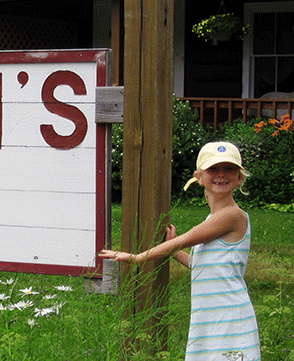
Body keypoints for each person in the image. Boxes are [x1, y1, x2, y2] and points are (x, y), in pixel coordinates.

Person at [99, 141, 261, 361]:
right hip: (210, 316)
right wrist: (175, 253)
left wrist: (138, 257)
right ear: (199, 177)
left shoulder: (231, 216)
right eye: (213, 168)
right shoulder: (213, 219)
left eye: (229, 169)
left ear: (239, 177)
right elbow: (200, 265)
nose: (221, 174)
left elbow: (185, 240)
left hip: (229, 316)